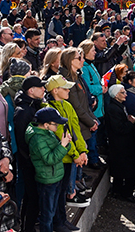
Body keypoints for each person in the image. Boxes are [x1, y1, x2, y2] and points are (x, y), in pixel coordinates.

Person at [45, 74, 89, 212]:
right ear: (55, 90)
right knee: (58, 194)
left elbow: (76, 130)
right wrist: (75, 154)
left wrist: (82, 151)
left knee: (62, 191)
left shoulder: (68, 105)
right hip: (61, 157)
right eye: (65, 88)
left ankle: (62, 219)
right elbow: (60, 134)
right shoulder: (48, 109)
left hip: (71, 156)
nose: (68, 91)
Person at [26, 107, 73, 232]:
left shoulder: (48, 133)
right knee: (47, 215)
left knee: (52, 211)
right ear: (46, 124)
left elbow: (57, 153)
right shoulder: (37, 138)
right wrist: (62, 146)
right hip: (47, 180)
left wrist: (66, 144)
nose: (57, 126)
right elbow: (50, 159)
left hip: (55, 177)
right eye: (55, 124)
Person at [13, 75, 47, 232]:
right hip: (29, 162)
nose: (44, 89)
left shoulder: (34, 105)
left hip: (34, 160)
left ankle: (28, 226)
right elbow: (22, 141)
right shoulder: (23, 111)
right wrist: (32, 160)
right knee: (32, 197)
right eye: (41, 87)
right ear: (31, 90)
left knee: (32, 197)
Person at [104, 84, 135, 203]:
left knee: (122, 169)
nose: (125, 94)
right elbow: (119, 128)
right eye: (122, 93)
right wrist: (130, 123)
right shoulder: (113, 109)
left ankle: (119, 191)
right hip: (120, 144)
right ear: (115, 95)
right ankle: (125, 193)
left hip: (123, 144)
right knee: (125, 170)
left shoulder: (118, 106)